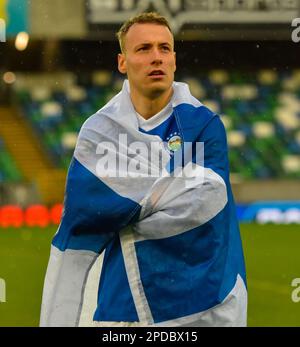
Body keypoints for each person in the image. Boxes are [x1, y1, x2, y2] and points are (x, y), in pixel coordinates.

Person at [40, 12, 247, 327]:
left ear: (175, 60)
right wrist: (167, 189)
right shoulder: (99, 131)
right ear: (122, 62)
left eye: (165, 49)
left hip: (203, 306)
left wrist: (124, 207)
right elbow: (87, 215)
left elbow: (205, 203)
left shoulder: (204, 124)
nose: (157, 58)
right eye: (144, 49)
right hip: (122, 308)